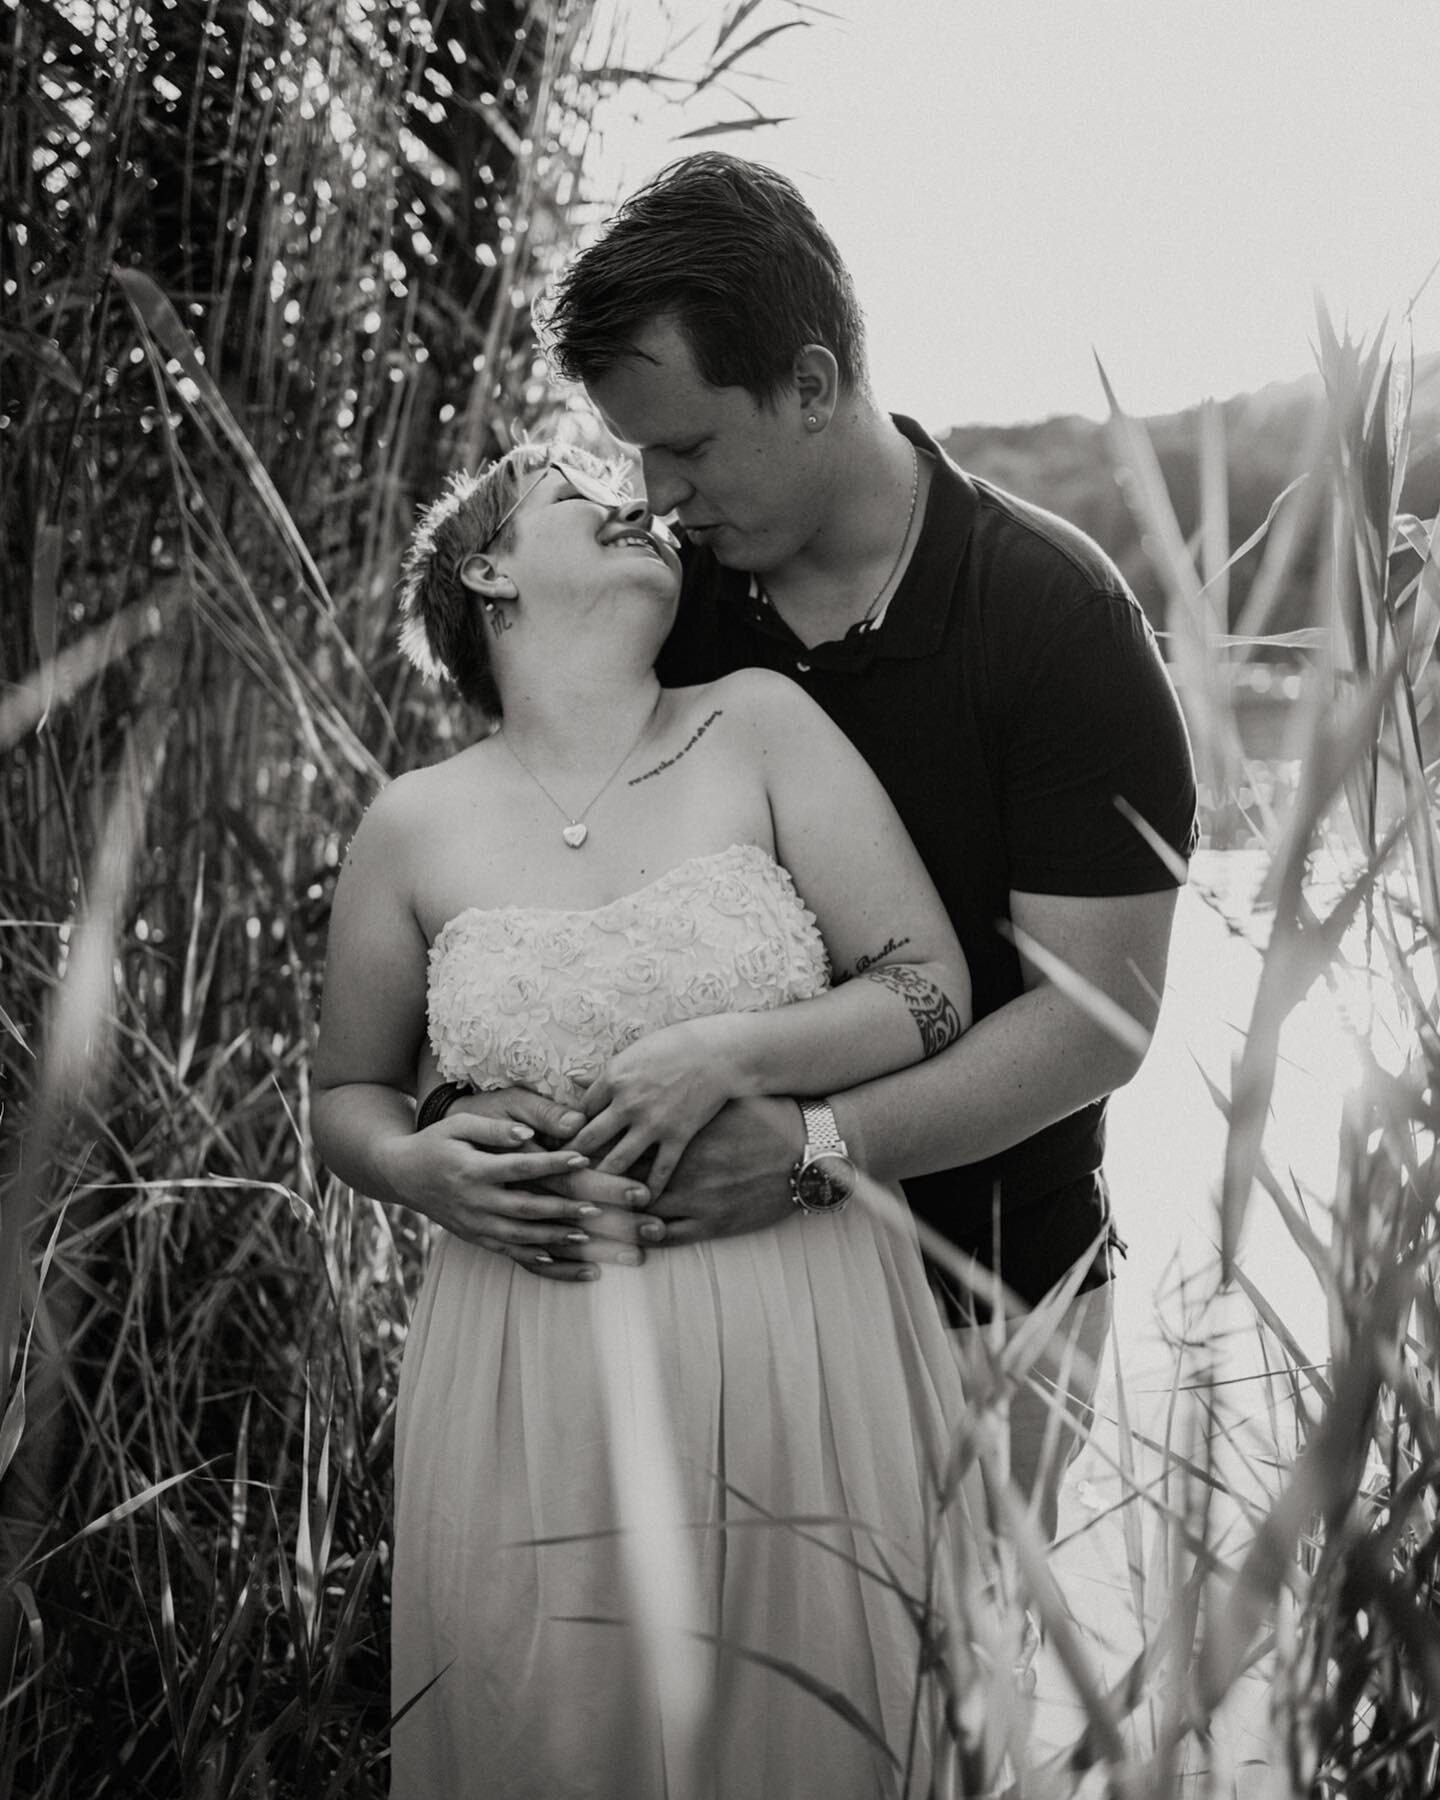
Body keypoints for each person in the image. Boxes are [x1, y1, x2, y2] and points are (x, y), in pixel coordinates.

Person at [512, 152, 1199, 1542]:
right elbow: (533, 884)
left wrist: (818, 1148)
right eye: (638, 453)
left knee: (941, 1727)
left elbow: (1094, 1022)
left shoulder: (1052, 617)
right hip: (703, 1303)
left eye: (691, 446)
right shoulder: (665, 609)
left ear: (814, 384)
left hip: (986, 1303)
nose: (660, 494)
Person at [311, 443, 990, 1798]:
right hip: (530, 1359)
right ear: (487, 569)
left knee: (812, 1728)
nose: (633, 504)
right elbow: (346, 1098)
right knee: (555, 1725)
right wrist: (420, 1168)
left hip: (800, 1322)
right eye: (575, 492)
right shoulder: (411, 824)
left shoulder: (757, 724)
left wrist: (725, 1051)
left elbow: (929, 990)